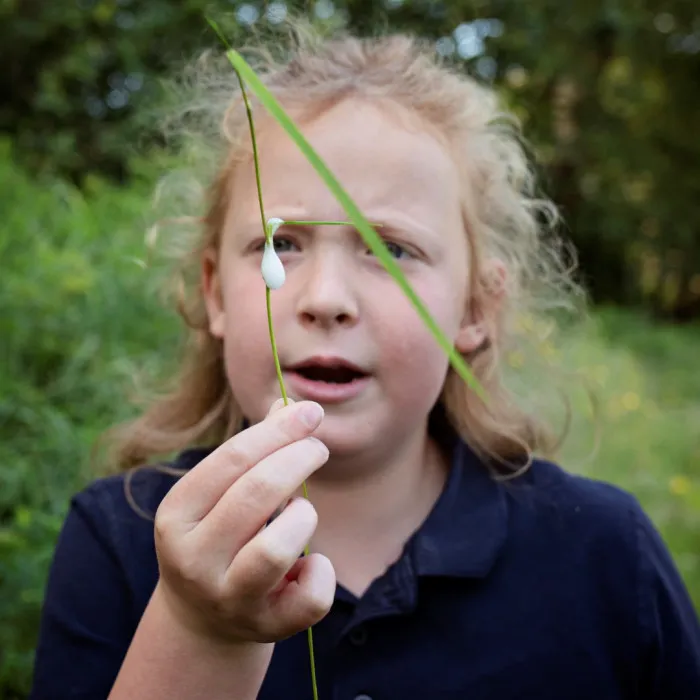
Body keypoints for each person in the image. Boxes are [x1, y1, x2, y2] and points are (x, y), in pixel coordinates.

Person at [30, 26, 700, 700]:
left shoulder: (607, 554)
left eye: (391, 251)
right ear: (214, 292)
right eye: (282, 243)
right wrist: (198, 629)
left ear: (475, 310)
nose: (325, 300)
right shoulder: (120, 537)